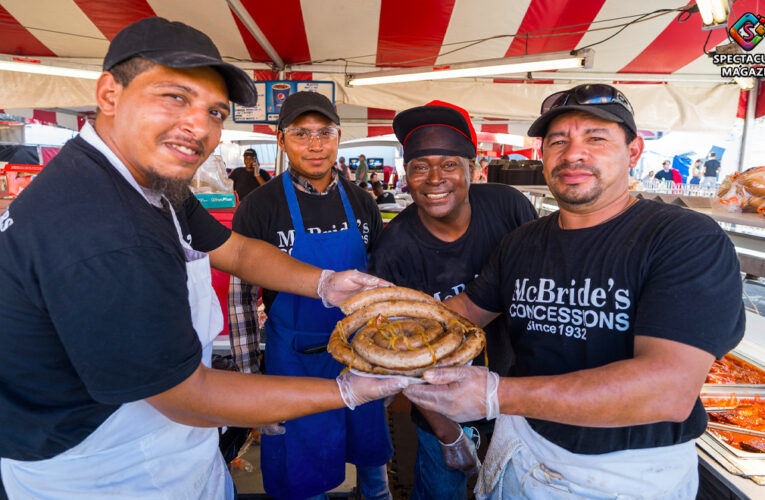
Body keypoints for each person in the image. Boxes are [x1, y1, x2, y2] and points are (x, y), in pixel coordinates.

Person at [0, 18, 409, 500]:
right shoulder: (101, 228)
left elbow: (233, 250)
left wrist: (324, 283)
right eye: (174, 96)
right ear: (110, 93)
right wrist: (344, 393)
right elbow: (187, 396)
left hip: (168, 447)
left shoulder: (148, 182)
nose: (198, 125)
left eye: (215, 111)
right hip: (109, 469)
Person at [404, 83, 745, 499]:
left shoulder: (682, 237)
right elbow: (463, 313)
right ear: (542, 155)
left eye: (596, 138)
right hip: (524, 449)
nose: (572, 155)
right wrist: (388, 323)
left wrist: (496, 394)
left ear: (633, 152)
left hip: (627, 473)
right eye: (558, 141)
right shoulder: (523, 241)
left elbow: (668, 390)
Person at [228, 91, 392, 500]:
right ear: (281, 140)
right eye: (302, 133)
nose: (315, 145)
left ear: (339, 138)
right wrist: (252, 386)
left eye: (325, 133)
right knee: (304, 477)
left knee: (373, 467)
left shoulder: (362, 203)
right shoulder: (258, 207)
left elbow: (381, 286)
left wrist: (388, 360)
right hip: (294, 365)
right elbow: (241, 299)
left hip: (361, 357)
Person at [369, 101, 537, 500]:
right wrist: (447, 434)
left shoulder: (508, 206)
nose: (434, 178)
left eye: (448, 164)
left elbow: (545, 281)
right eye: (420, 166)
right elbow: (399, 356)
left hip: (520, 397)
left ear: (472, 169)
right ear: (406, 176)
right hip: (441, 409)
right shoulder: (394, 250)